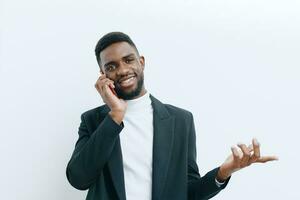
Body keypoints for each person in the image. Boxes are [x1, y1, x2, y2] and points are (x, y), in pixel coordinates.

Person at [66, 32, 278, 200]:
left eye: (128, 60)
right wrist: (115, 115)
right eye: (111, 67)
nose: (122, 70)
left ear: (141, 62)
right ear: (103, 75)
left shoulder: (180, 121)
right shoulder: (93, 121)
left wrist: (222, 173)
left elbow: (188, 192)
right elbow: (79, 179)